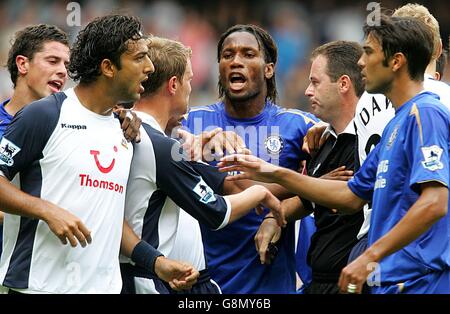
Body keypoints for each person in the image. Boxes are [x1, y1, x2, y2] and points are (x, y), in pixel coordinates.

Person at [219, 15, 450, 294]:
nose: (361, 62)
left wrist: (369, 255)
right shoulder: (392, 127)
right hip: (390, 283)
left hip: (423, 281)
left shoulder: (425, 112)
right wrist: (273, 172)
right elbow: (350, 197)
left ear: (396, 61)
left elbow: (436, 202)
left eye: (368, 52)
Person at [0, 14, 154, 293]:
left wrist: (156, 262)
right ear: (108, 67)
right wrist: (46, 210)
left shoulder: (124, 129)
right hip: (37, 287)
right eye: (140, 58)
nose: (150, 67)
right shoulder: (44, 115)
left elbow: (107, 215)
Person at [120, 37, 283, 294]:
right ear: (173, 85)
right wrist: (260, 193)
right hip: (148, 280)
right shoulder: (159, 147)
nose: (190, 89)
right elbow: (217, 212)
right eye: (189, 80)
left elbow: (224, 182)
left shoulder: (143, 135)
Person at [184, 24, 318, 293]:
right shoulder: (191, 123)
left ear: (268, 69)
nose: (236, 61)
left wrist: (277, 216)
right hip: (202, 285)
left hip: (271, 285)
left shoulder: (300, 126)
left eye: (248, 54)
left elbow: (326, 186)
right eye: (228, 55)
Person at [282, 41, 365, 294]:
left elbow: (353, 199)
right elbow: (310, 203)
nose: (307, 91)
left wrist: (276, 175)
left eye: (315, 82)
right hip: (318, 281)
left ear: (343, 84)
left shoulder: (369, 141)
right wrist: (276, 218)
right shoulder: (321, 142)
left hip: (352, 282)